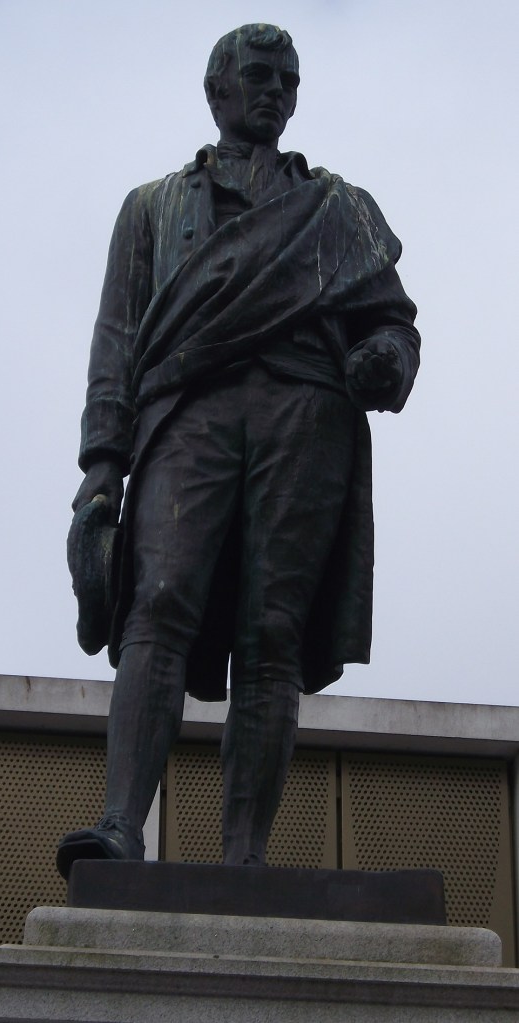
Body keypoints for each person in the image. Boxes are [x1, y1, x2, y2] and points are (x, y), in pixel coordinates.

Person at [57, 24, 420, 878]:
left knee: (273, 631)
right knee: (159, 601)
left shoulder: (340, 209)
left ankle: (243, 857)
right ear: (216, 90)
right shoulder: (151, 207)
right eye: (258, 76)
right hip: (191, 413)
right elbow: (115, 345)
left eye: (288, 80)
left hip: (307, 413)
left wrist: (387, 360)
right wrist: (99, 475)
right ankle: (119, 824)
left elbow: (393, 320)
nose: (275, 90)